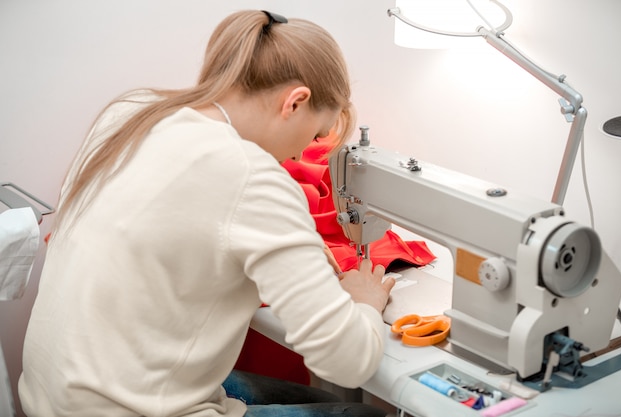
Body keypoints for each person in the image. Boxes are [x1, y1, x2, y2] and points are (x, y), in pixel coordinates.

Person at [18, 10, 395, 417]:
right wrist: (365, 303)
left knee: (323, 402)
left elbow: (175, 241)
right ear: (295, 101)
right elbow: (347, 360)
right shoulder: (251, 175)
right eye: (318, 133)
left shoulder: (131, 111)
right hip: (124, 409)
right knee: (367, 413)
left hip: (56, 395)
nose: (305, 153)